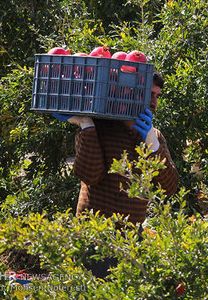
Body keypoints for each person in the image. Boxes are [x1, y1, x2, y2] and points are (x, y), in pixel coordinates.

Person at [53, 71, 179, 278]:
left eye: (157, 96)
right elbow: (90, 175)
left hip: (131, 238)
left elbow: (169, 186)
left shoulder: (153, 135)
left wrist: (151, 142)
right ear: (132, 93)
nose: (154, 101)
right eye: (149, 94)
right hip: (95, 235)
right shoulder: (101, 128)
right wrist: (86, 124)